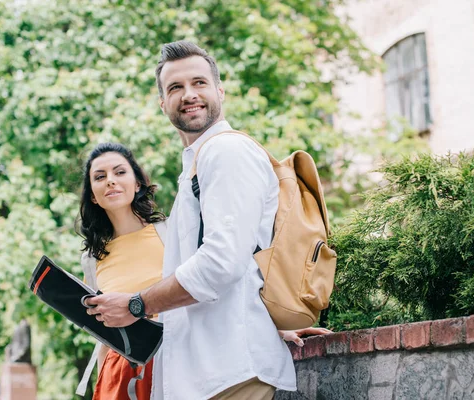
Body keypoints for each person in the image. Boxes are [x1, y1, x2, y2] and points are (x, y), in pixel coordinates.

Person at [85, 40, 336, 399]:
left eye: (199, 83)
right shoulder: (198, 162)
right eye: (175, 87)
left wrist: (137, 304)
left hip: (229, 373)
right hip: (206, 374)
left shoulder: (226, 151)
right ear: (162, 103)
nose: (189, 94)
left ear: (219, 91)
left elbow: (223, 263)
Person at [78, 142, 166, 400]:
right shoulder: (92, 260)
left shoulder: (170, 233)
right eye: (100, 177)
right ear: (93, 195)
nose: (110, 182)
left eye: (120, 172)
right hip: (123, 374)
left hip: (177, 360)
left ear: (137, 183)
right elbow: (105, 336)